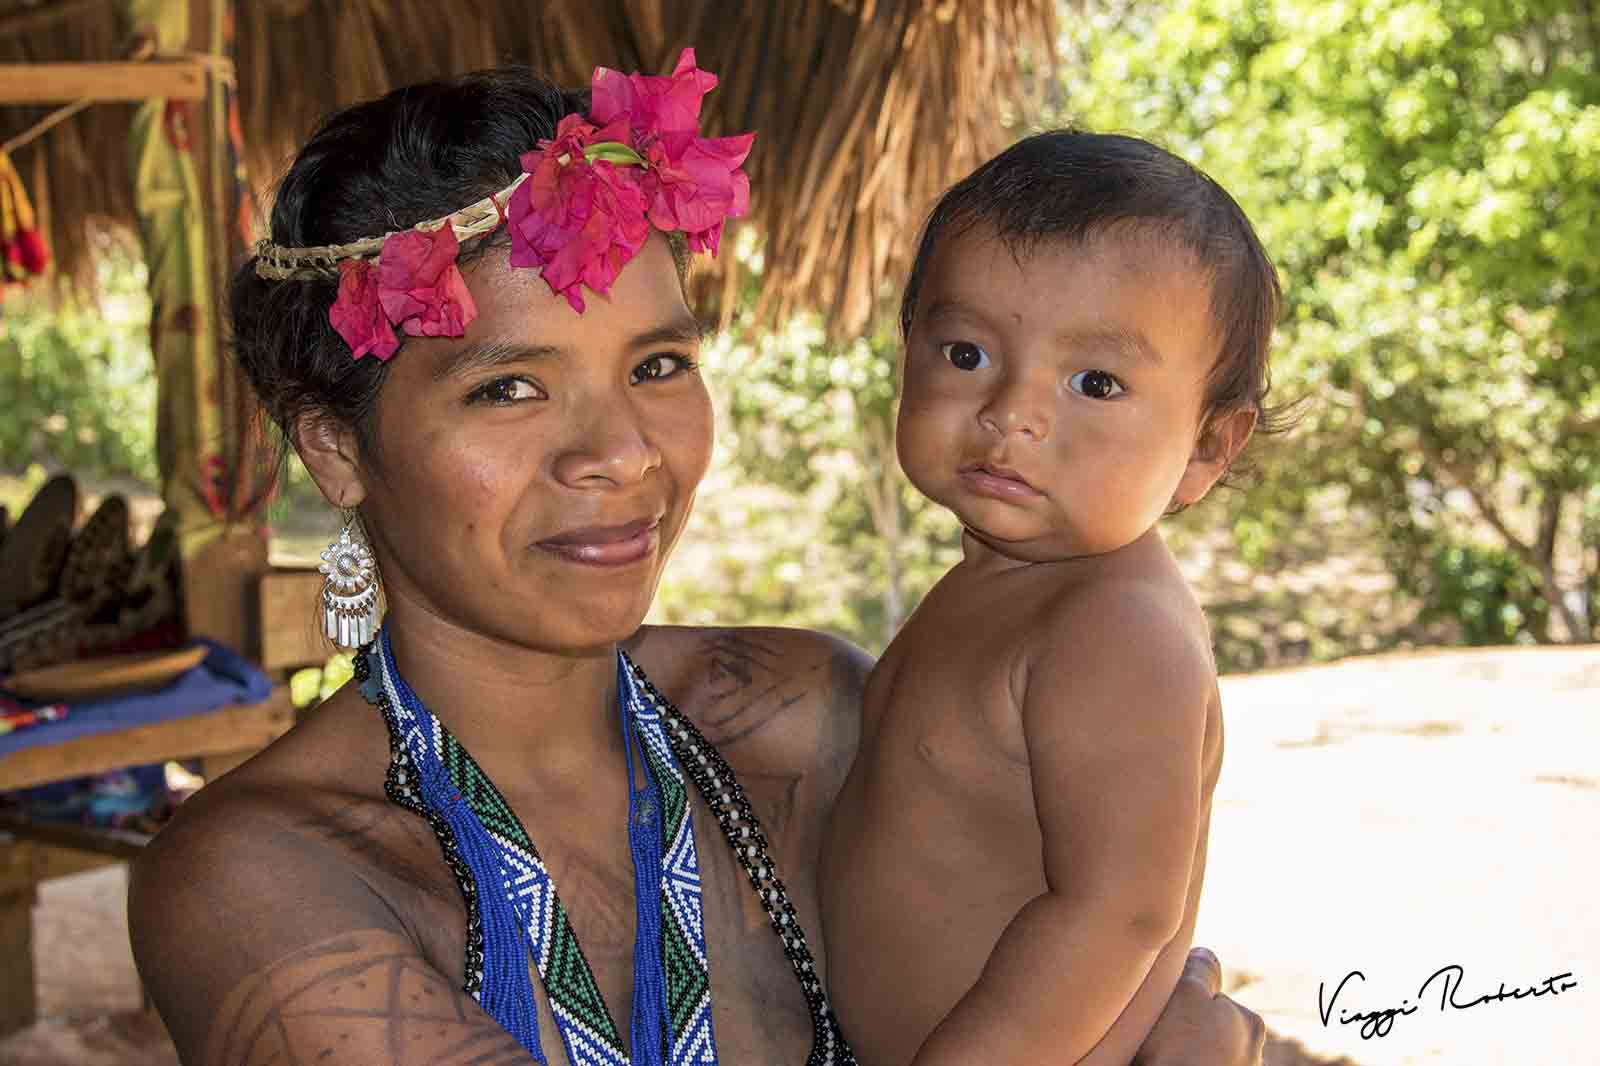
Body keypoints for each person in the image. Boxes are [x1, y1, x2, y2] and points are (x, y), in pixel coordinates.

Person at [127, 58, 1267, 1066]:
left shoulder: (812, 715)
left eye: (658, 364)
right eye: (508, 387)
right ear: (335, 445)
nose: (621, 452)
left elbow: (1104, 933)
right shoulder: (255, 877)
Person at [820, 131, 1280, 1066]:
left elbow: (1120, 911)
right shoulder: (1004, 583)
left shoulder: (1114, 628)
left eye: (1095, 382)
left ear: (1206, 450)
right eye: (966, 351)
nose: (1012, 410)